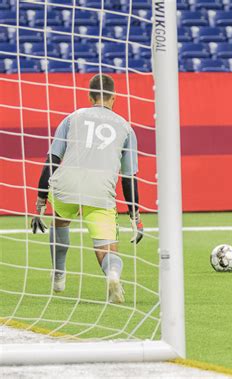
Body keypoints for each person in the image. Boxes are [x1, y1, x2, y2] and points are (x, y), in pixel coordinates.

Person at [31, 74, 144, 304]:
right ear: (114, 97)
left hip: (65, 185)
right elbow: (128, 177)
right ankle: (112, 275)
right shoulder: (126, 127)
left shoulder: (72, 118)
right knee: (107, 248)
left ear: (90, 96)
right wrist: (135, 216)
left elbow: (52, 159)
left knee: (61, 220)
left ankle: (59, 274)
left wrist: (41, 201)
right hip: (100, 190)